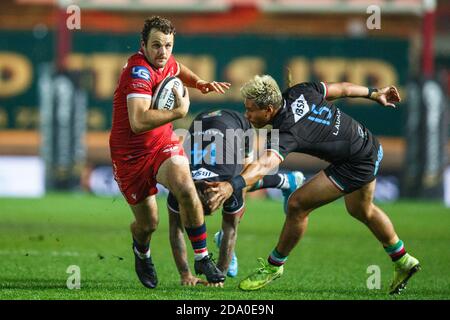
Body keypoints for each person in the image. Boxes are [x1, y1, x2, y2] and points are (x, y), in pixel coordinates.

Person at [207, 75, 421, 294]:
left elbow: (264, 165)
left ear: (269, 110)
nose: (247, 114)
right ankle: (403, 261)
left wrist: (231, 185)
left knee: (297, 204)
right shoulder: (301, 90)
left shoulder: (284, 132)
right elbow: (344, 89)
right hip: (368, 144)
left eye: (251, 109)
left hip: (356, 163)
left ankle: (274, 266)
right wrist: (374, 93)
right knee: (361, 209)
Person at [109, 16, 231, 288]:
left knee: (186, 187)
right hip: (130, 156)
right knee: (148, 224)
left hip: (161, 143)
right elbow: (137, 122)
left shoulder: (166, 61)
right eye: (156, 46)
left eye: (168, 45)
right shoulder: (137, 71)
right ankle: (142, 252)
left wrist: (198, 82)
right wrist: (178, 112)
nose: (163, 52)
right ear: (143, 45)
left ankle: (202, 257)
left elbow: (178, 68)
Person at [166, 109, 305, 285]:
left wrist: (220, 275)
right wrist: (185, 274)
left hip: (238, 126)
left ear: (218, 194)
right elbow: (175, 230)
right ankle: (287, 180)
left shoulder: (228, 181)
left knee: (244, 182)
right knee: (239, 189)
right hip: (202, 122)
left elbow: (231, 228)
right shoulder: (180, 187)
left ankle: (287, 180)